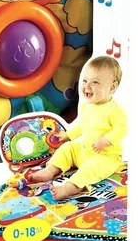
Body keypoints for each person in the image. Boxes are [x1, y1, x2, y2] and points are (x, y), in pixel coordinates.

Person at [28, 56, 127, 200]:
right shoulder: (87, 105)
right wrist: (67, 135)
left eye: (95, 82)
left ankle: (69, 188)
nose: (87, 86)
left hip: (105, 156)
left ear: (112, 87)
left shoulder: (114, 110)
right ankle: (50, 170)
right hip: (83, 151)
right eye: (85, 80)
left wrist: (106, 140)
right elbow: (83, 124)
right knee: (67, 148)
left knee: (89, 170)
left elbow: (122, 129)